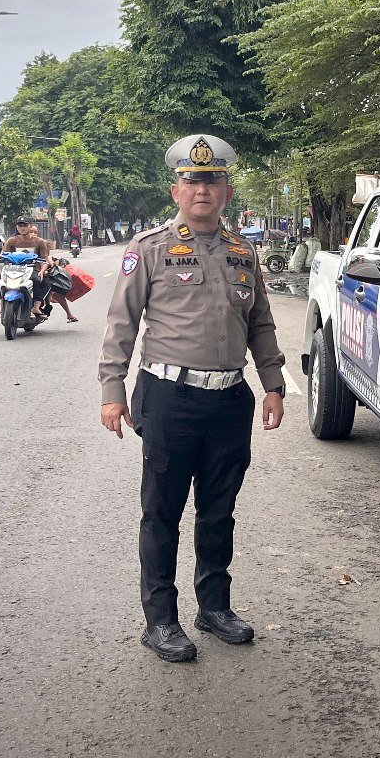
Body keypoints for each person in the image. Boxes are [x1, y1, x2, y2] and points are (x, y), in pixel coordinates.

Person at [98, 134, 287, 663]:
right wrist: (113, 390)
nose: (202, 190)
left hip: (229, 399)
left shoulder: (242, 251)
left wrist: (273, 383)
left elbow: (261, 323)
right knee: (161, 512)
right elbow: (121, 325)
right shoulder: (150, 248)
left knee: (218, 510)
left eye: (212, 180)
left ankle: (214, 607)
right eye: (192, 180)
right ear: (176, 189)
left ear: (226, 189)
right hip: (168, 396)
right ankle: (160, 619)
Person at [0, 218, 53, 319]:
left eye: (25, 225)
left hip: (32, 270)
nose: (22, 228)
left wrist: (42, 271)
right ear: (17, 227)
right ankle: (2, 306)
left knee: (44, 282)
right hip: (12, 270)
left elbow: (45, 260)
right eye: (20, 226)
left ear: (30, 226)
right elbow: (3, 254)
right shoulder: (12, 241)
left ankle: (35, 307)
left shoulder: (39, 242)